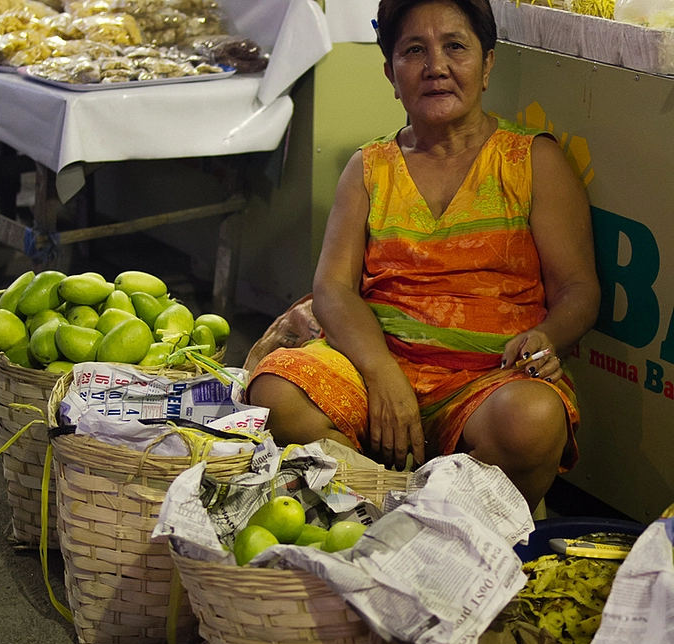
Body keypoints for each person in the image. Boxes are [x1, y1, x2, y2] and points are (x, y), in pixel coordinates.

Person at [246, 0, 600, 511]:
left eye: (455, 46)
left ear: (487, 64)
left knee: (533, 420)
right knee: (276, 392)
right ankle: (382, 507)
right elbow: (333, 288)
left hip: (489, 382)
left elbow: (578, 289)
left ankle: (429, 515)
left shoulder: (532, 160)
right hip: (377, 368)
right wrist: (382, 373)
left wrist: (550, 336)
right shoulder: (368, 168)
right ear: (391, 74)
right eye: (414, 50)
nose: (436, 66)